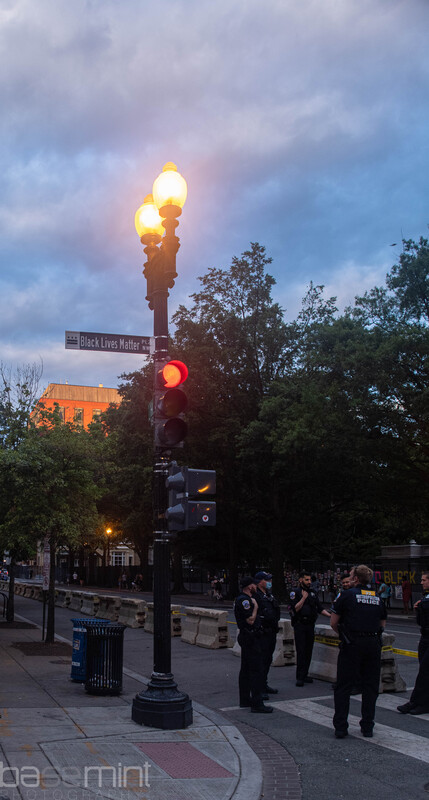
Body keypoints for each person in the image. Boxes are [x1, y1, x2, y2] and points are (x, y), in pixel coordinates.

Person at [331, 564, 387, 739]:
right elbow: (382, 624)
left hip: (352, 643)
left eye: (351, 575)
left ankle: (341, 727)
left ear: (355, 579)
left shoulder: (346, 595)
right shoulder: (377, 598)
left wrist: (346, 634)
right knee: (370, 687)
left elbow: (334, 622)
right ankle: (367, 726)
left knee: (344, 686)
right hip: (372, 644)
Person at [234, 576, 273, 713]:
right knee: (256, 670)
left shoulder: (241, 599)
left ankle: (245, 699)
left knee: (245, 669)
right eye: (253, 585)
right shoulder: (245, 600)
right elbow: (250, 620)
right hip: (250, 637)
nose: (255, 587)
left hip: (247, 636)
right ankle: (257, 703)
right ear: (250, 586)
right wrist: (255, 607)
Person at [289, 570, 331, 686]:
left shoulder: (312, 593)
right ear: (300, 580)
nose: (309, 582)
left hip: (310, 625)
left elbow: (319, 608)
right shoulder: (295, 592)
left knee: (308, 650)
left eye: (310, 580)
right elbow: (294, 609)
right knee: (301, 650)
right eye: (306, 580)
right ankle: (299, 677)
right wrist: (303, 598)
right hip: (300, 624)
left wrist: (330, 615)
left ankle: (305, 674)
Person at [397, 571, 429, 715]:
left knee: (425, 672)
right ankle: (417, 701)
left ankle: (419, 702)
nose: (421, 582)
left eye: (424, 580)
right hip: (425, 636)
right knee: (424, 670)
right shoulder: (425, 598)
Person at [255, 571, 281, 697]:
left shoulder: (269, 595)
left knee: (267, 659)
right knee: (261, 660)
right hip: (263, 632)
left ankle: (263, 684)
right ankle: (258, 688)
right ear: (260, 582)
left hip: (271, 631)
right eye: (267, 580)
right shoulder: (257, 596)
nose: (270, 582)